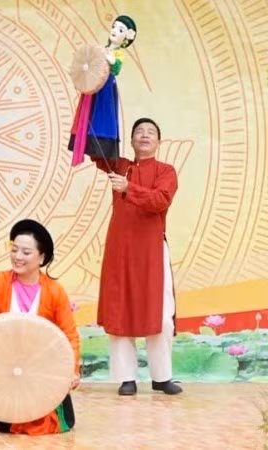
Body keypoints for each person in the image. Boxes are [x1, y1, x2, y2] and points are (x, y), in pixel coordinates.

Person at [0, 219, 80, 435]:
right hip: (3, 368)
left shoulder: (55, 291)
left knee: (64, 421)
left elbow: (70, 335)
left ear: (41, 258)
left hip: (41, 369)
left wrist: (73, 371)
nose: (17, 256)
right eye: (14, 249)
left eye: (26, 252)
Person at [92, 118, 182, 396]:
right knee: (120, 312)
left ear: (158, 141)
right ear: (130, 140)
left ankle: (162, 377)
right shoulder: (120, 166)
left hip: (152, 249)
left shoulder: (166, 171)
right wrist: (94, 102)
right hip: (120, 249)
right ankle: (126, 378)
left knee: (161, 315)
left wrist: (128, 189)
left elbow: (160, 200)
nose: (144, 135)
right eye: (139, 132)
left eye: (150, 132)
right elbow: (94, 148)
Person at [68, 15, 137, 165]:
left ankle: (101, 146)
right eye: (114, 27)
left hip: (106, 87)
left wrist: (111, 59)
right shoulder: (102, 49)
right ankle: (85, 141)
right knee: (88, 113)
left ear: (126, 39)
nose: (115, 30)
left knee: (102, 114)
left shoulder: (118, 53)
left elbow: (116, 69)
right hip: (93, 85)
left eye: (120, 30)